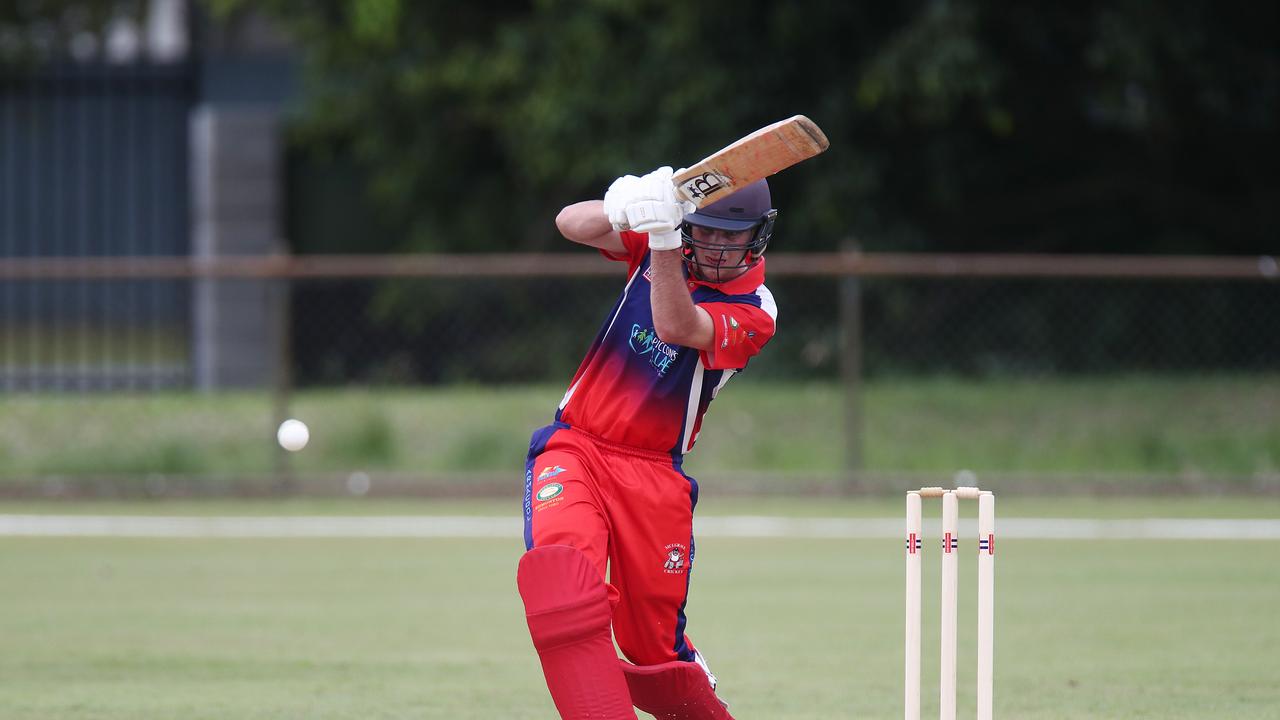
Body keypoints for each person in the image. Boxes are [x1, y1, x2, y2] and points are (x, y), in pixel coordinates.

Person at [516, 166, 778, 720]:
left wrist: (661, 237)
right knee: (562, 580)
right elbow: (570, 224)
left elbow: (675, 326)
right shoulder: (665, 247)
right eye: (702, 230)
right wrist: (629, 204)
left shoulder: (757, 308)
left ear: (758, 234)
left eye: (731, 235)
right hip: (577, 446)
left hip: (653, 475)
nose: (714, 246)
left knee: (653, 652)